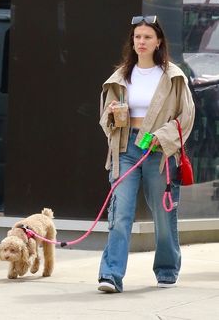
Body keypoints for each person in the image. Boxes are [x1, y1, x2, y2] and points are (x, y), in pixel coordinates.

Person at [98, 15, 195, 293]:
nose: (141, 42)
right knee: (120, 214)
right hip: (125, 148)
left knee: (164, 216)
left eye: (147, 37)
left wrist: (161, 138)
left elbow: (185, 117)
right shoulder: (119, 77)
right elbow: (105, 119)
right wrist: (113, 116)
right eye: (137, 37)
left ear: (159, 41)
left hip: (159, 151)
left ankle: (166, 269)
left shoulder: (173, 76)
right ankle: (111, 274)